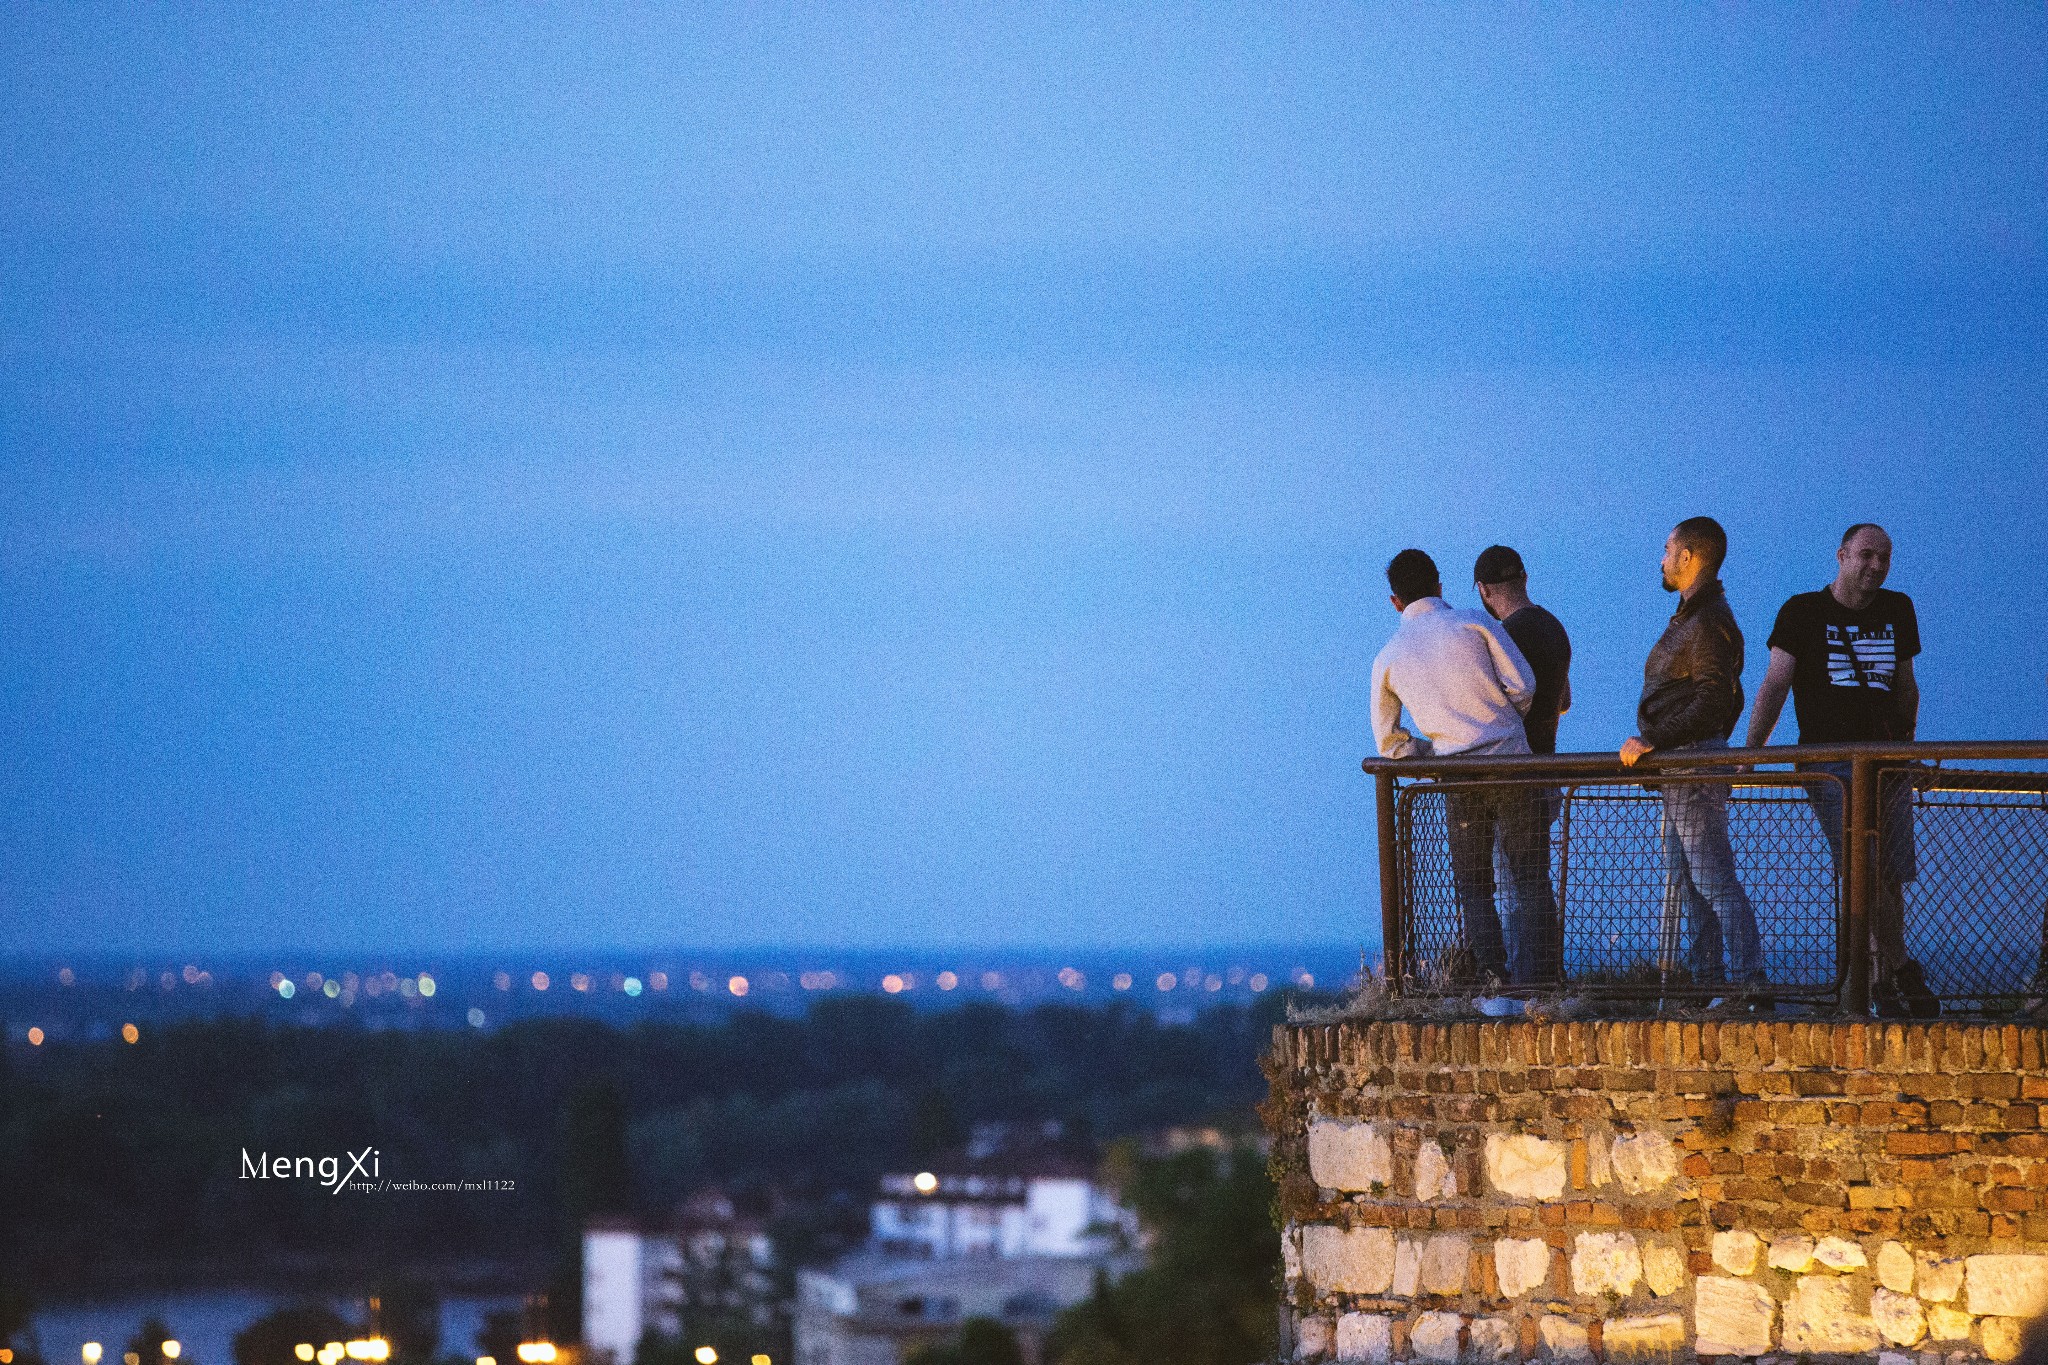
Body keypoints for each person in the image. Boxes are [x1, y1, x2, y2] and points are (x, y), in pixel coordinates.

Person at [1745, 522, 1936, 1017]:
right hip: (1829, 763)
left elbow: (1906, 687)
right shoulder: (1802, 611)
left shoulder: (1898, 609)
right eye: (1866, 555)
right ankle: (1897, 968)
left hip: (1887, 761)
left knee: (1889, 874)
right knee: (1863, 867)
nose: (1876, 566)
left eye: (1884, 558)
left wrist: (1907, 752)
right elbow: (1775, 684)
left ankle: (1881, 981)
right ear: (1842, 555)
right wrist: (1749, 752)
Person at [1371, 548, 1560, 984]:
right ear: (1440, 585)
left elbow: (1389, 743)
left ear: (1395, 601)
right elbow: (1523, 684)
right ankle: (1539, 984)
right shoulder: (1475, 622)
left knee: (1474, 889)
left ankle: (1494, 982)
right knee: (1531, 879)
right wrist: (1501, 720)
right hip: (1512, 764)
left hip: (1456, 776)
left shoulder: (1388, 658)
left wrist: (1434, 752)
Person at [1619, 517, 1766, 1003]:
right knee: (1690, 881)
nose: (1660, 559)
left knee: (1711, 879)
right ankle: (1708, 984)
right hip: (1683, 767)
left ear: (1688, 557)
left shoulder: (1705, 622)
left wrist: (1653, 742)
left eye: (1667, 549)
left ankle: (1748, 985)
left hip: (1692, 765)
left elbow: (1716, 700)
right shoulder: (1697, 617)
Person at [1474, 545, 1573, 976]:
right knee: (1536, 883)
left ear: (1484, 590)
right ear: (1524, 578)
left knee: (1515, 888)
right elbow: (1564, 700)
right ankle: (1546, 975)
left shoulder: (1508, 634)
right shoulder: (1554, 626)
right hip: (1547, 767)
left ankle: (1523, 983)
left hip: (1515, 772)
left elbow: (1504, 704)